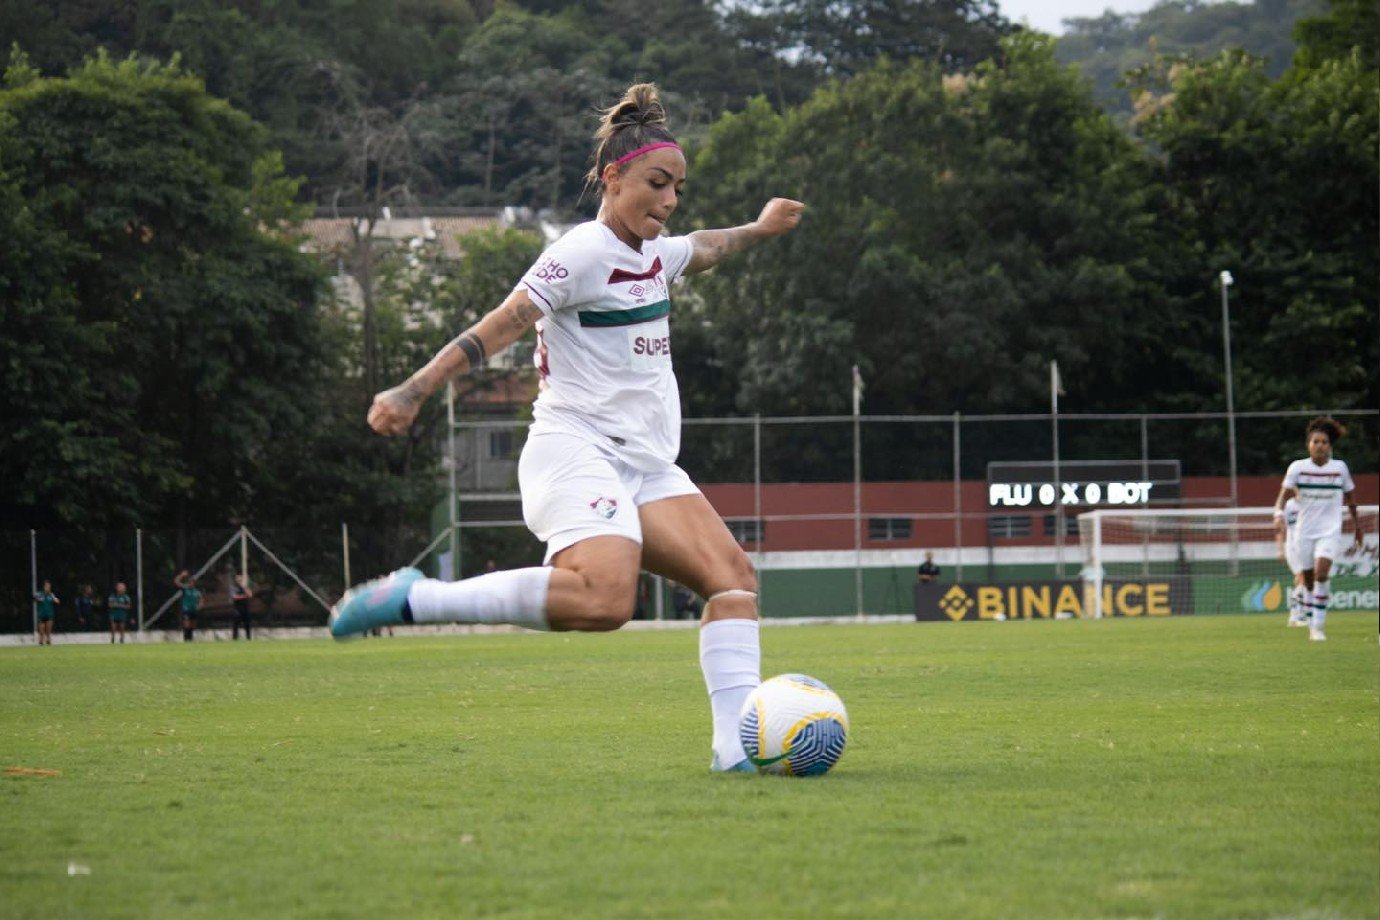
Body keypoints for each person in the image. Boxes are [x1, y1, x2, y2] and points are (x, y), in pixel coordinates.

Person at [330, 83, 805, 773]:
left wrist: (759, 230)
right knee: (607, 600)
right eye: (656, 184)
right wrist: (414, 388)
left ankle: (735, 752)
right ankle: (414, 597)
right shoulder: (581, 252)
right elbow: (503, 322)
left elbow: (703, 246)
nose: (669, 201)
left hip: (645, 462)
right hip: (573, 449)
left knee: (733, 581)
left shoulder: (656, 253)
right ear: (613, 178)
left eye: (677, 187)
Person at [1273, 416, 1363, 642]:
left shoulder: (1339, 469)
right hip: (1304, 532)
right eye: (1315, 442)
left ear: (1329, 445)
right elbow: (1282, 498)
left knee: (1322, 573)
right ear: (1308, 445)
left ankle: (1318, 626)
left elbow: (1351, 499)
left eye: (1324, 442)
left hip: (1330, 531)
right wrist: (1277, 515)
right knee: (1309, 579)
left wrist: (1358, 528)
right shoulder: (1298, 468)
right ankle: (1311, 616)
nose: (1320, 445)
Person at [1273, 496, 1308, 628]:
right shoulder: (1289, 505)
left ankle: (1294, 616)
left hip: (1306, 546)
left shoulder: (1311, 503)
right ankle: (1298, 616)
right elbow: (1280, 529)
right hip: (1292, 547)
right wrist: (1280, 549)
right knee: (1302, 577)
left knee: (1301, 580)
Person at [175, 570, 202, 642]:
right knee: (187, 624)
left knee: (192, 625)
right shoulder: (185, 589)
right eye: (190, 582)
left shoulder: (196, 591)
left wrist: (199, 605)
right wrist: (181, 575)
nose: (191, 584)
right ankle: (186, 639)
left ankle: (190, 639)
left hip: (193, 610)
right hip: (186, 609)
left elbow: (201, 599)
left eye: (192, 582)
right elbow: (176, 582)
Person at [34, 580, 58, 646]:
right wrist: (38, 599)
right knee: (42, 628)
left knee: (48, 628)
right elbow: (35, 598)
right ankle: (41, 640)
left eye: (49, 586)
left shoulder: (51, 594)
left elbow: (56, 600)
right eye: (47, 586)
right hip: (42, 613)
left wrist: (56, 600)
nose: (48, 588)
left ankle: (48, 640)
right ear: (44, 587)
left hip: (49, 613)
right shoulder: (39, 593)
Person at [230, 573, 253, 640]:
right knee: (236, 624)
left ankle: (248, 638)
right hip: (237, 609)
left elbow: (250, 595)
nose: (239, 581)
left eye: (240, 579)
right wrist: (244, 596)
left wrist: (244, 588)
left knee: (247, 624)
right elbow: (234, 597)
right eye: (238, 579)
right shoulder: (233, 587)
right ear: (235, 580)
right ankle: (235, 638)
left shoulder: (244, 587)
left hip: (245, 608)